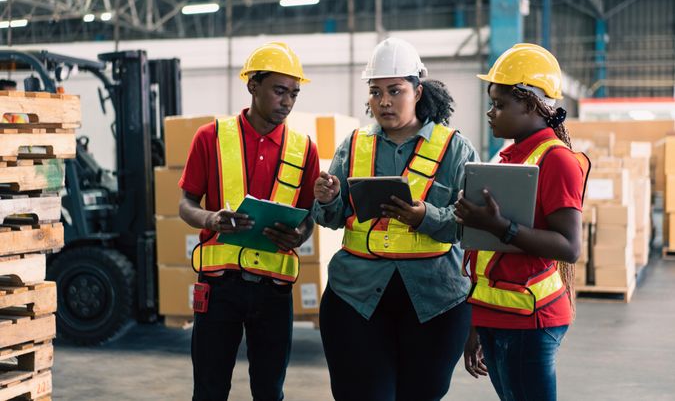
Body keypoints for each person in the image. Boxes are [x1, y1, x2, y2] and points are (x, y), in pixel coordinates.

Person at [312, 37, 479, 401]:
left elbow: (472, 225)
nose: (384, 101)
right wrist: (328, 198)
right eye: (375, 92)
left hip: (435, 302)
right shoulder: (353, 145)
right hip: (355, 298)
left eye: (395, 90)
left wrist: (425, 216)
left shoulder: (455, 149)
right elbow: (333, 218)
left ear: (418, 91)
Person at [178, 42, 321, 401]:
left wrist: (298, 235)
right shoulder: (210, 137)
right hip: (219, 286)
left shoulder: (304, 149)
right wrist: (212, 218)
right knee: (209, 390)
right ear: (253, 86)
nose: (287, 101)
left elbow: (310, 218)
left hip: (274, 290)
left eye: (294, 93)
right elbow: (185, 204)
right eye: (278, 90)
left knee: (270, 391)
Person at [457, 43, 590, 401]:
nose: (490, 113)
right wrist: (477, 323)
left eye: (500, 105)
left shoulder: (557, 160)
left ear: (530, 105)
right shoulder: (508, 157)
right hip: (497, 314)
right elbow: (487, 257)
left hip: (530, 318)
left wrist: (500, 226)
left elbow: (569, 247)